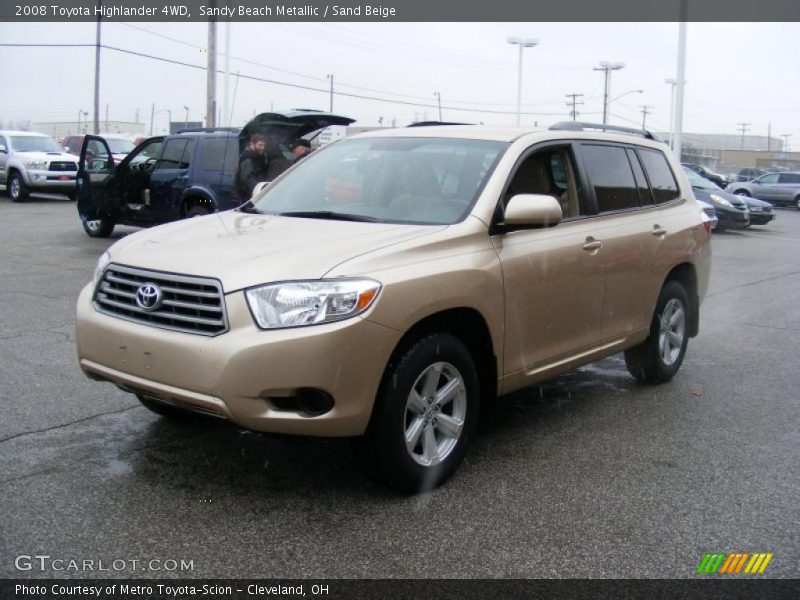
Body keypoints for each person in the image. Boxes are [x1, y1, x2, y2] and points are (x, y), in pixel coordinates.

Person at [235, 133, 269, 198]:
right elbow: (247, 178)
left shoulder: (258, 157)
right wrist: (260, 189)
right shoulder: (248, 157)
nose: (263, 148)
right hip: (248, 194)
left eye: (264, 146)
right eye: (260, 145)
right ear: (252, 144)